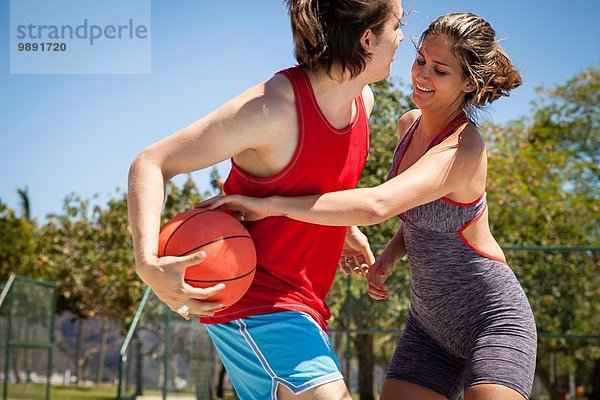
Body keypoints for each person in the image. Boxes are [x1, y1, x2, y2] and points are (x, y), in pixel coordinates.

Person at [200, 12, 537, 400]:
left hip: (491, 319)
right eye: (421, 60)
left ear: (468, 83)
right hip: (429, 326)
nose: (422, 75)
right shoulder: (408, 125)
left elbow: (379, 204)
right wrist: (391, 254)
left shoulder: (464, 148)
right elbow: (421, 215)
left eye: (440, 71)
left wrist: (271, 204)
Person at [127, 0, 405, 398]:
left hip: (304, 306)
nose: (400, 39)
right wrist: (147, 263)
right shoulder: (272, 109)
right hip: (256, 302)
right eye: (397, 26)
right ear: (366, 39)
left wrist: (344, 226)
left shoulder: (363, 103)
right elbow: (151, 163)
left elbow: (311, 185)